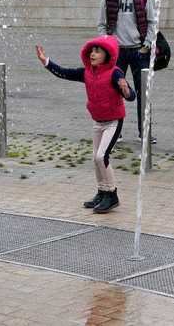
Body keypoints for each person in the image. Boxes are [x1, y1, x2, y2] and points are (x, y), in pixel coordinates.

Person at [35, 35, 135, 214]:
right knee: (95, 159)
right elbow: (64, 73)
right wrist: (46, 62)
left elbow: (131, 96)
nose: (93, 54)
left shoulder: (115, 73)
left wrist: (126, 90)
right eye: (91, 51)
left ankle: (112, 195)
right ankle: (102, 192)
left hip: (114, 121)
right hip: (98, 122)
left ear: (107, 54)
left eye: (97, 51)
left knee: (101, 157)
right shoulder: (87, 73)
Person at [97, 0, 157, 144]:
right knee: (114, 93)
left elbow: (152, 22)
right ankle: (115, 133)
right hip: (116, 53)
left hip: (139, 51)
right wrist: (107, 46)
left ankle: (144, 133)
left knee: (143, 94)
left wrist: (146, 45)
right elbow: (101, 25)